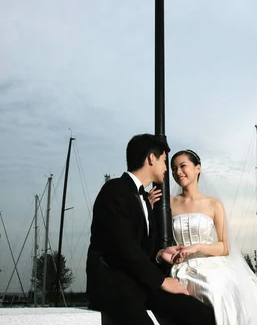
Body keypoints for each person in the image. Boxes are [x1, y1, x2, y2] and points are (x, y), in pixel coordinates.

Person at [86, 134, 216, 325]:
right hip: (114, 284)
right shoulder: (114, 190)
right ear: (151, 158)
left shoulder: (146, 201)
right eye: (165, 161)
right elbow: (122, 247)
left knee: (201, 314)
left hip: (140, 282)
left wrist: (161, 253)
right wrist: (162, 281)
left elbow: (142, 246)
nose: (167, 169)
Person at [148, 149, 257, 325]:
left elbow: (224, 247)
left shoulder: (214, 204)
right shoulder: (168, 202)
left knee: (221, 289)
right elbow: (152, 233)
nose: (178, 172)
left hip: (211, 262)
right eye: (174, 168)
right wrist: (149, 205)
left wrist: (196, 247)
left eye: (183, 166)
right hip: (182, 266)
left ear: (198, 168)